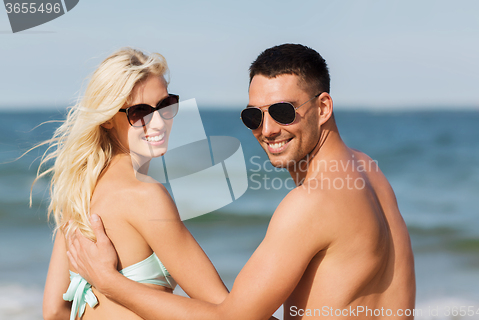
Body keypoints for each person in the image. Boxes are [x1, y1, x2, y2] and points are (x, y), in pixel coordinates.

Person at [68, 43, 416, 319]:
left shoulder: (309, 205)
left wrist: (109, 283)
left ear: (323, 107)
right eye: (253, 116)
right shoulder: (369, 171)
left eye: (283, 112)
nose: (266, 130)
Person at [37, 48, 229, 320]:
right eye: (139, 112)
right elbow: (227, 312)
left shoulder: (79, 193)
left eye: (165, 105)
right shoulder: (146, 195)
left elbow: (55, 311)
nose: (159, 121)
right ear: (106, 119)